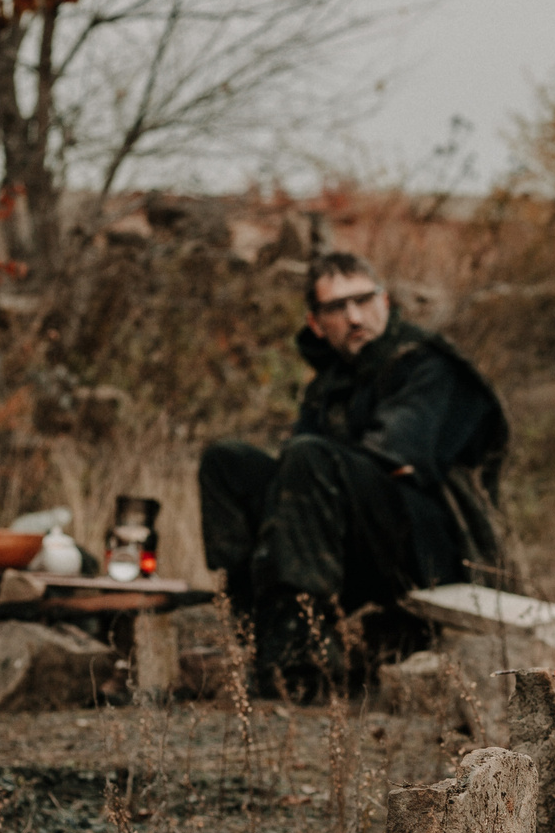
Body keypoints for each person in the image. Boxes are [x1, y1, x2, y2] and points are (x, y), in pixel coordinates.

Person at [200, 252, 507, 689]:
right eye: (337, 308)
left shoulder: (427, 365)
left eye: (363, 300)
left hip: (426, 549)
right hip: (345, 534)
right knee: (226, 462)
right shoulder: (330, 383)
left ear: (384, 300)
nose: (355, 316)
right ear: (315, 323)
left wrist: (312, 467)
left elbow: (395, 460)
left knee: (308, 457)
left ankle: (303, 658)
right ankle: (254, 620)